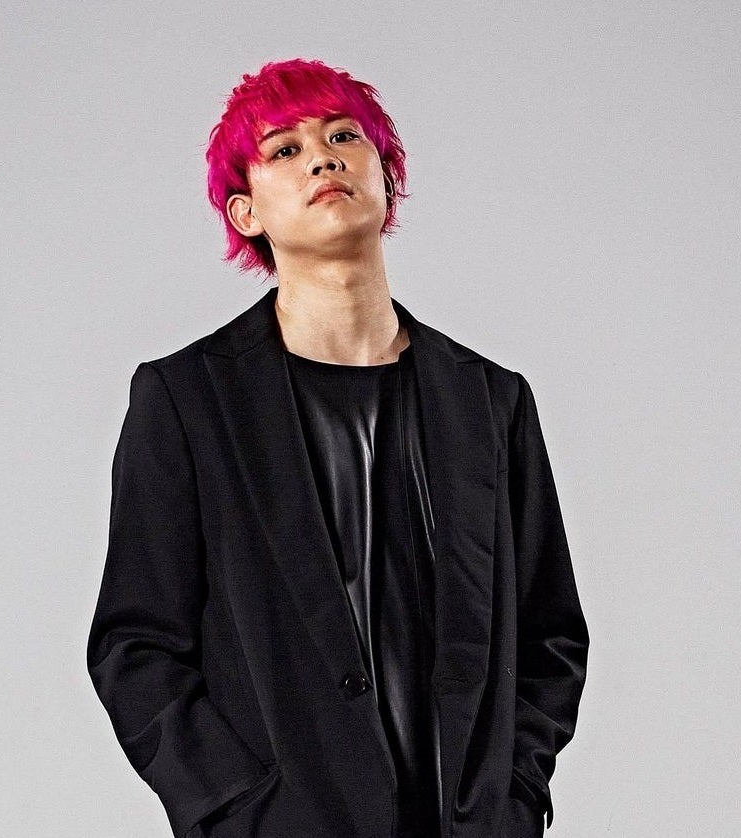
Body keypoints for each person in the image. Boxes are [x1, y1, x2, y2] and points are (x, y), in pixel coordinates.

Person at [86, 58, 588, 838]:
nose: (323, 158)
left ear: (387, 177)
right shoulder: (188, 400)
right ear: (246, 211)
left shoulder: (491, 402)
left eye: (345, 137)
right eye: (285, 149)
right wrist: (236, 809)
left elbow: (550, 633)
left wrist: (513, 799)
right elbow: (135, 645)